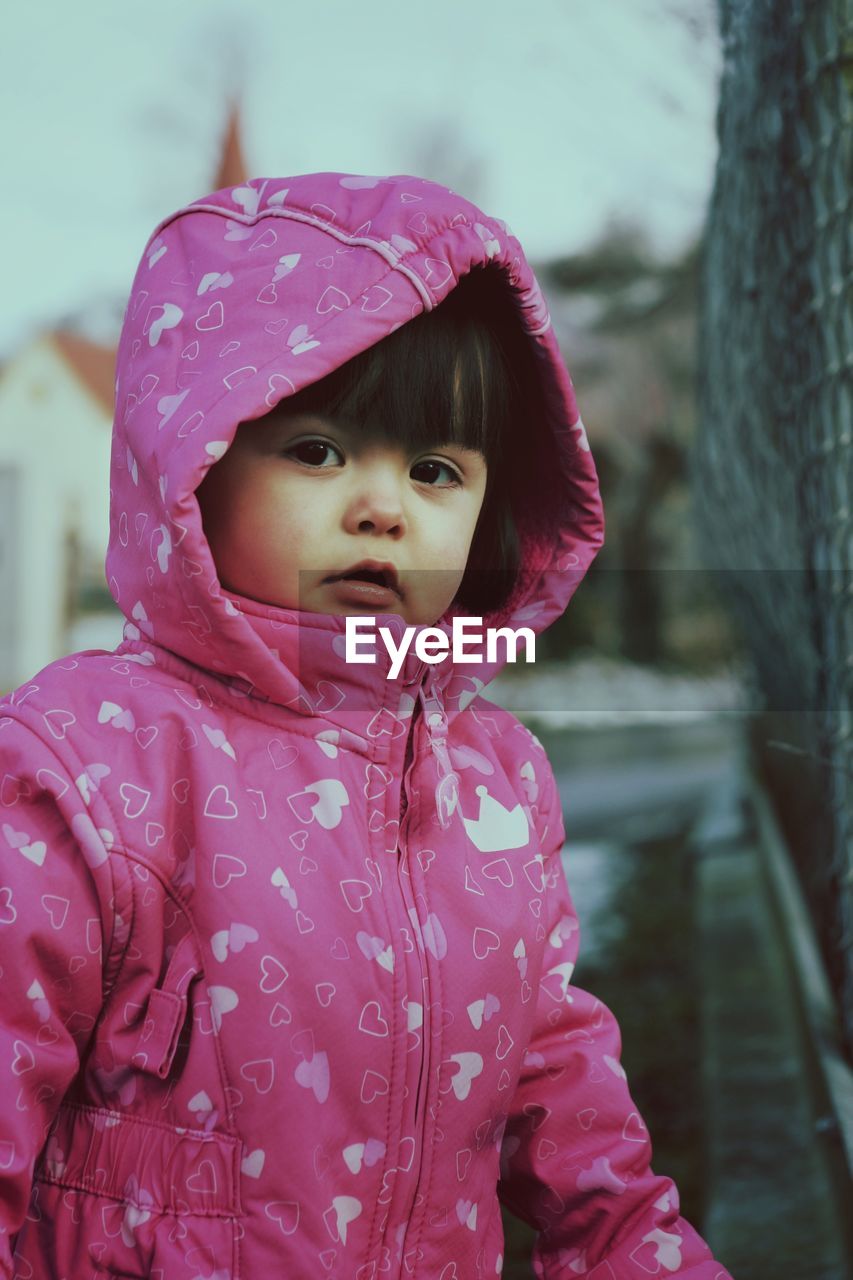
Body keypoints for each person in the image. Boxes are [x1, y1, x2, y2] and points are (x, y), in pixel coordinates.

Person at [0, 173, 734, 1279]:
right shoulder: (92, 763)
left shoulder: (495, 782)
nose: (383, 506)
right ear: (190, 457)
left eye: (435, 469)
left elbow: (567, 1103)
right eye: (317, 449)